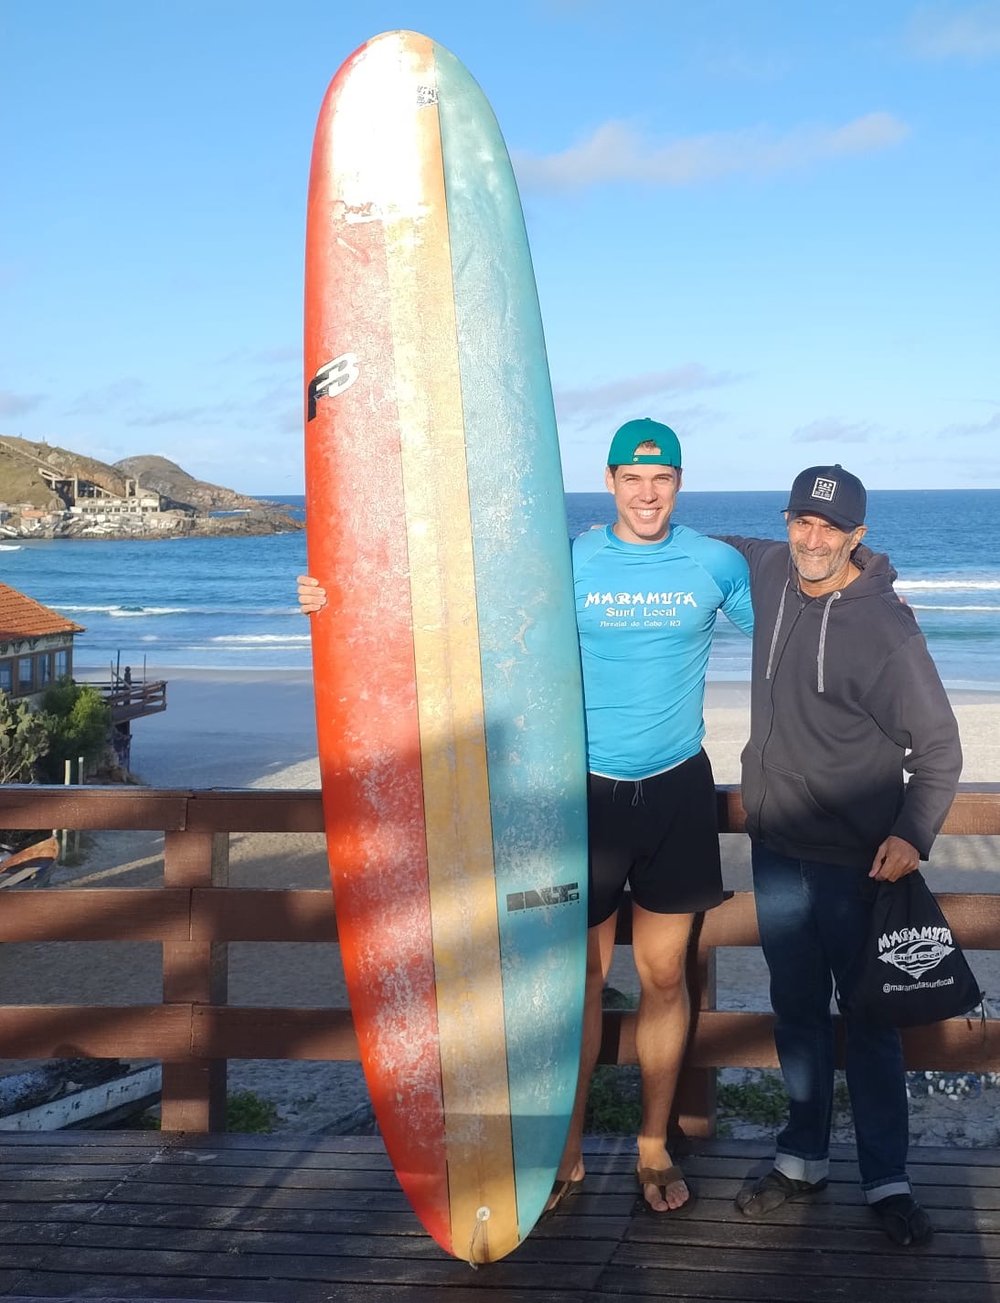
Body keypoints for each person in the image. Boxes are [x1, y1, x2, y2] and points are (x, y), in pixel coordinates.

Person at [298, 418, 754, 1215]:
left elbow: (798, 626)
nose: (648, 494)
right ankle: (563, 1147)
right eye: (632, 478)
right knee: (574, 980)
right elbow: (457, 609)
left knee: (662, 975)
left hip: (679, 790)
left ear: (679, 483)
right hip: (581, 794)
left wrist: (870, 578)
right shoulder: (566, 561)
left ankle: (652, 1146)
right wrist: (339, 593)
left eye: (663, 479)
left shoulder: (717, 563)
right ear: (609, 481)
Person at [719, 464, 962, 1247]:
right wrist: (606, 545)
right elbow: (689, 548)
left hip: (860, 866)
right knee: (796, 1013)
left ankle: (887, 1178)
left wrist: (912, 833)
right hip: (778, 852)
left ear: (857, 536)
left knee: (873, 1020)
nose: (811, 539)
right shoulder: (767, 570)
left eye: (830, 528)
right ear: (787, 520)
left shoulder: (886, 628)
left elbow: (941, 750)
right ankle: (803, 1157)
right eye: (801, 521)